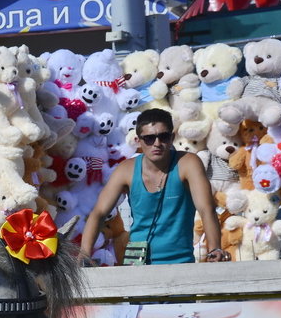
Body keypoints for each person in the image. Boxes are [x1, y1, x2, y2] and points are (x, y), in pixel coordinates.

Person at [80, 109, 229, 265]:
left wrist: (215, 249)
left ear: (172, 138)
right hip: (136, 261)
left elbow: (206, 209)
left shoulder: (188, 163)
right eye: (149, 138)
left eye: (163, 137)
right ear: (138, 141)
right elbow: (99, 213)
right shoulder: (126, 169)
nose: (157, 144)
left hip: (179, 262)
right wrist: (84, 253)